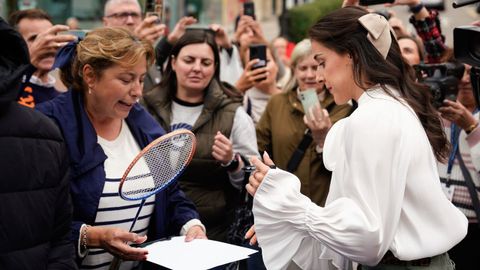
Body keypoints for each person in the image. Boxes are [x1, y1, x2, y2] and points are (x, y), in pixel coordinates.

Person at [245, 5, 468, 270]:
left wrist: (288, 204)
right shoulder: (386, 106)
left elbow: (367, 237)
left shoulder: (375, 117)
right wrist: (287, 216)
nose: (318, 76)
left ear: (350, 56)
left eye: (321, 62)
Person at [36, 27, 206, 269]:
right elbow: (36, 218)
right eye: (126, 79)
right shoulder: (49, 126)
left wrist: (191, 225)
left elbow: (171, 194)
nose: (137, 91)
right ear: (90, 76)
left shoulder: (144, 125)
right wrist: (92, 237)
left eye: (141, 79)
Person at [142, 30, 258, 242]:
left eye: (205, 62)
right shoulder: (144, 107)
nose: (197, 68)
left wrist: (233, 163)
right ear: (174, 62)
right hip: (149, 230)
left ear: (215, 68)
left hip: (210, 232)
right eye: (189, 60)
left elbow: (254, 178)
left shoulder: (234, 114)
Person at [0, 17, 76, 269]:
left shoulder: (46, 125)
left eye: (53, 37)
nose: (48, 44)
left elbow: (59, 235)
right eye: (33, 39)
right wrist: (26, 64)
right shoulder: (23, 91)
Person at [256, 39, 353, 206]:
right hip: (285, 203)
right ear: (293, 70)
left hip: (325, 204)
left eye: (315, 67)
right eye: (303, 68)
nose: (309, 75)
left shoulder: (342, 105)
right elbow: (260, 148)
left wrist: (323, 139)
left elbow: (344, 162)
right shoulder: (277, 103)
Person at [437, 63, 479, 270]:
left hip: (473, 229)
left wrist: (472, 128)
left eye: (472, 73)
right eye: (459, 72)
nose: (464, 79)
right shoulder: (437, 115)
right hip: (438, 226)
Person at [8, 8, 76, 107]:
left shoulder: (63, 97)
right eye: (35, 38)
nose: (46, 44)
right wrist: (29, 63)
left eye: (50, 37)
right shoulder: (7, 90)